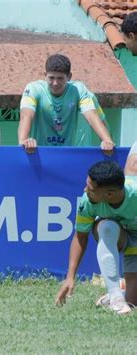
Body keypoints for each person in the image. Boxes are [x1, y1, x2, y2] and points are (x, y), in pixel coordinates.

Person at [55, 146, 137, 315]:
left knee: (133, 302)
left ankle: (123, 292)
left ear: (110, 194)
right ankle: (116, 298)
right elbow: (80, 237)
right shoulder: (87, 202)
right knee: (105, 226)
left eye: (91, 189)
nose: (85, 190)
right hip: (122, 237)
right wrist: (70, 277)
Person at [18, 54, 115, 154]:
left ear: (69, 77)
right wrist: (23, 141)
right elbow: (26, 116)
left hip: (67, 154)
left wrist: (107, 141)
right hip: (39, 153)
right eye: (51, 78)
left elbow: (92, 116)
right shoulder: (33, 89)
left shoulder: (79, 90)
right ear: (45, 75)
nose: (55, 83)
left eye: (60, 78)